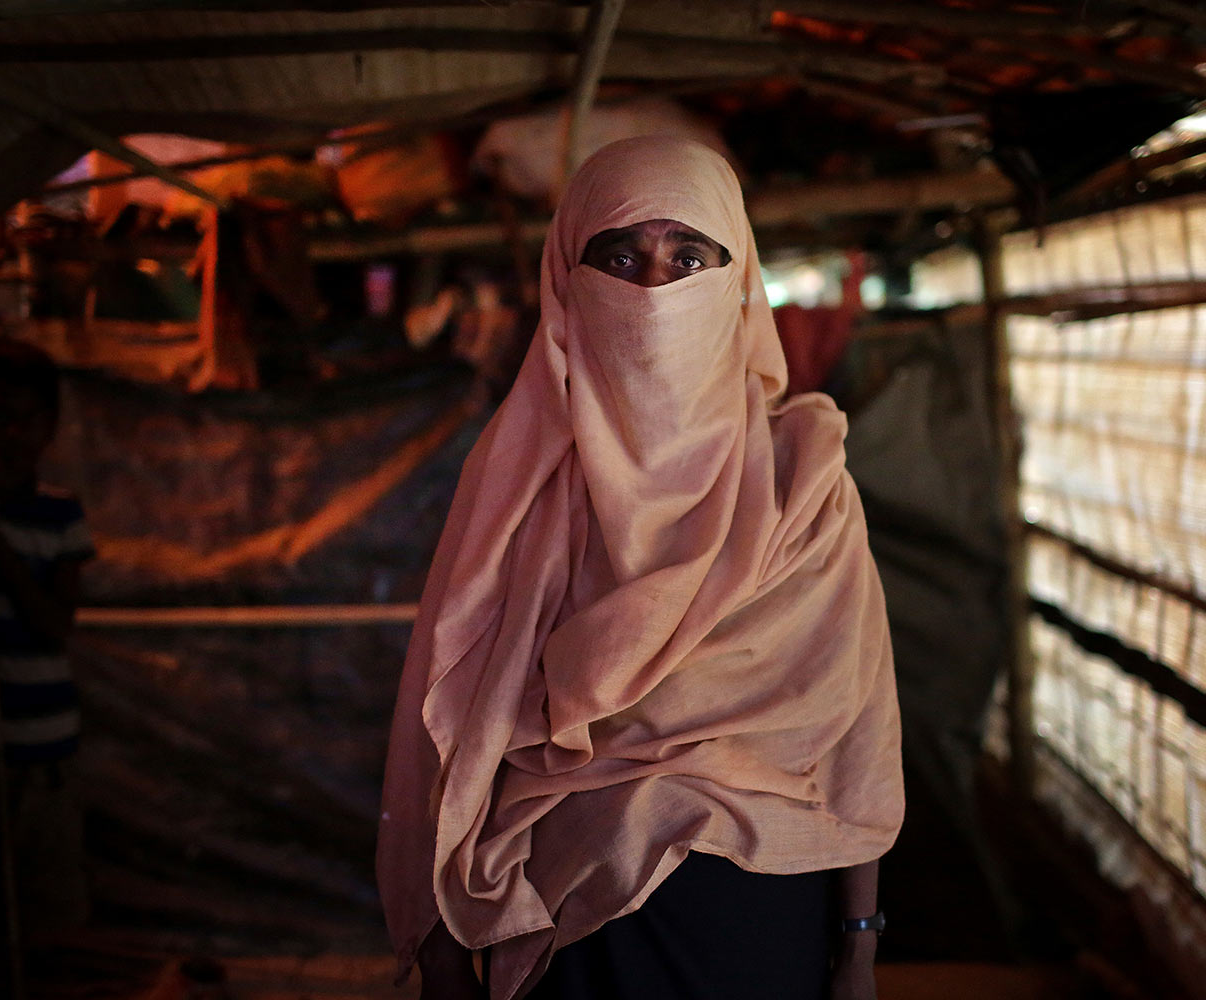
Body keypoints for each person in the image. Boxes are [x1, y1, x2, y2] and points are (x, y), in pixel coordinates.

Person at [377, 135, 904, 1000]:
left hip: (764, 911)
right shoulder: (524, 484)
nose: (655, 291)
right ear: (566, 284)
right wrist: (438, 948)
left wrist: (857, 948)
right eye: (619, 258)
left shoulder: (802, 483)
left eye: (689, 256)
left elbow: (858, 732)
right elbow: (447, 708)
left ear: (738, 284)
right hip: (573, 916)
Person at [0, 340, 95, 941]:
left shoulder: (58, 516)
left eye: (29, 420)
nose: (13, 435)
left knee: (45, 912)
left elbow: (52, 624)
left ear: (50, 429)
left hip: (41, 747)